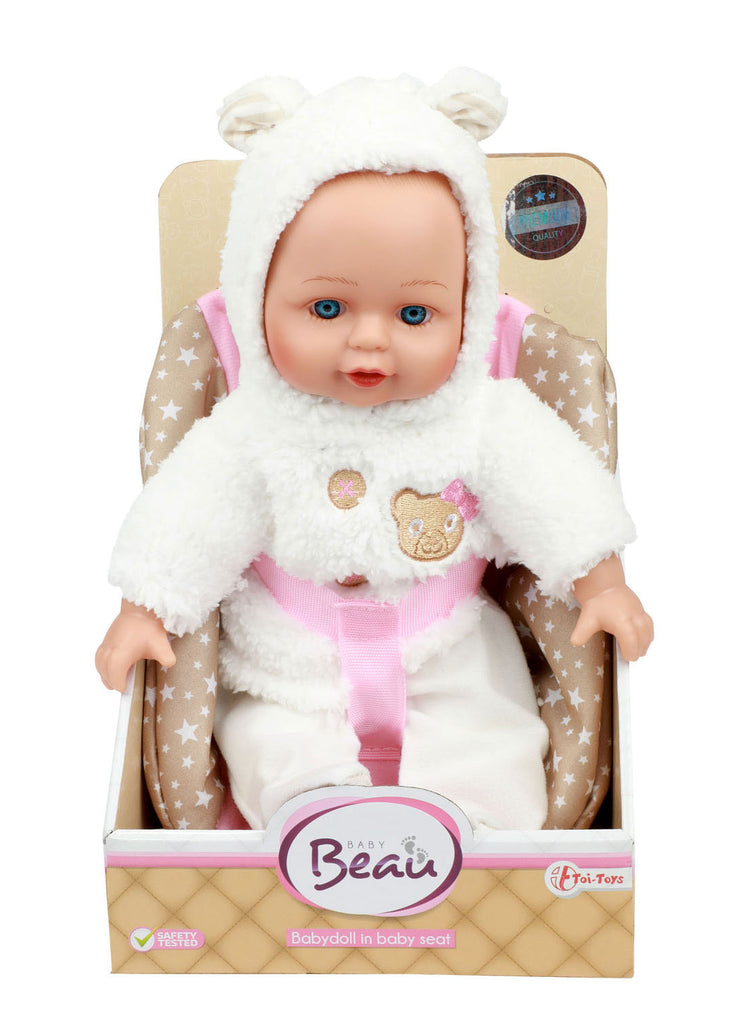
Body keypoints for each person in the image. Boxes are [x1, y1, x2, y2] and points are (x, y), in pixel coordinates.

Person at [96, 71, 652, 831]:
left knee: (491, 738)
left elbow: (555, 489)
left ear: (469, 307)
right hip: (288, 657)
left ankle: (473, 827)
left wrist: (602, 582)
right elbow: (187, 514)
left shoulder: (482, 415)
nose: (369, 340)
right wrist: (144, 605)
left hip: (447, 643)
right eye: (327, 307)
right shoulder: (250, 426)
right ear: (257, 296)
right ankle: (316, 815)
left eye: (414, 314)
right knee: (267, 740)